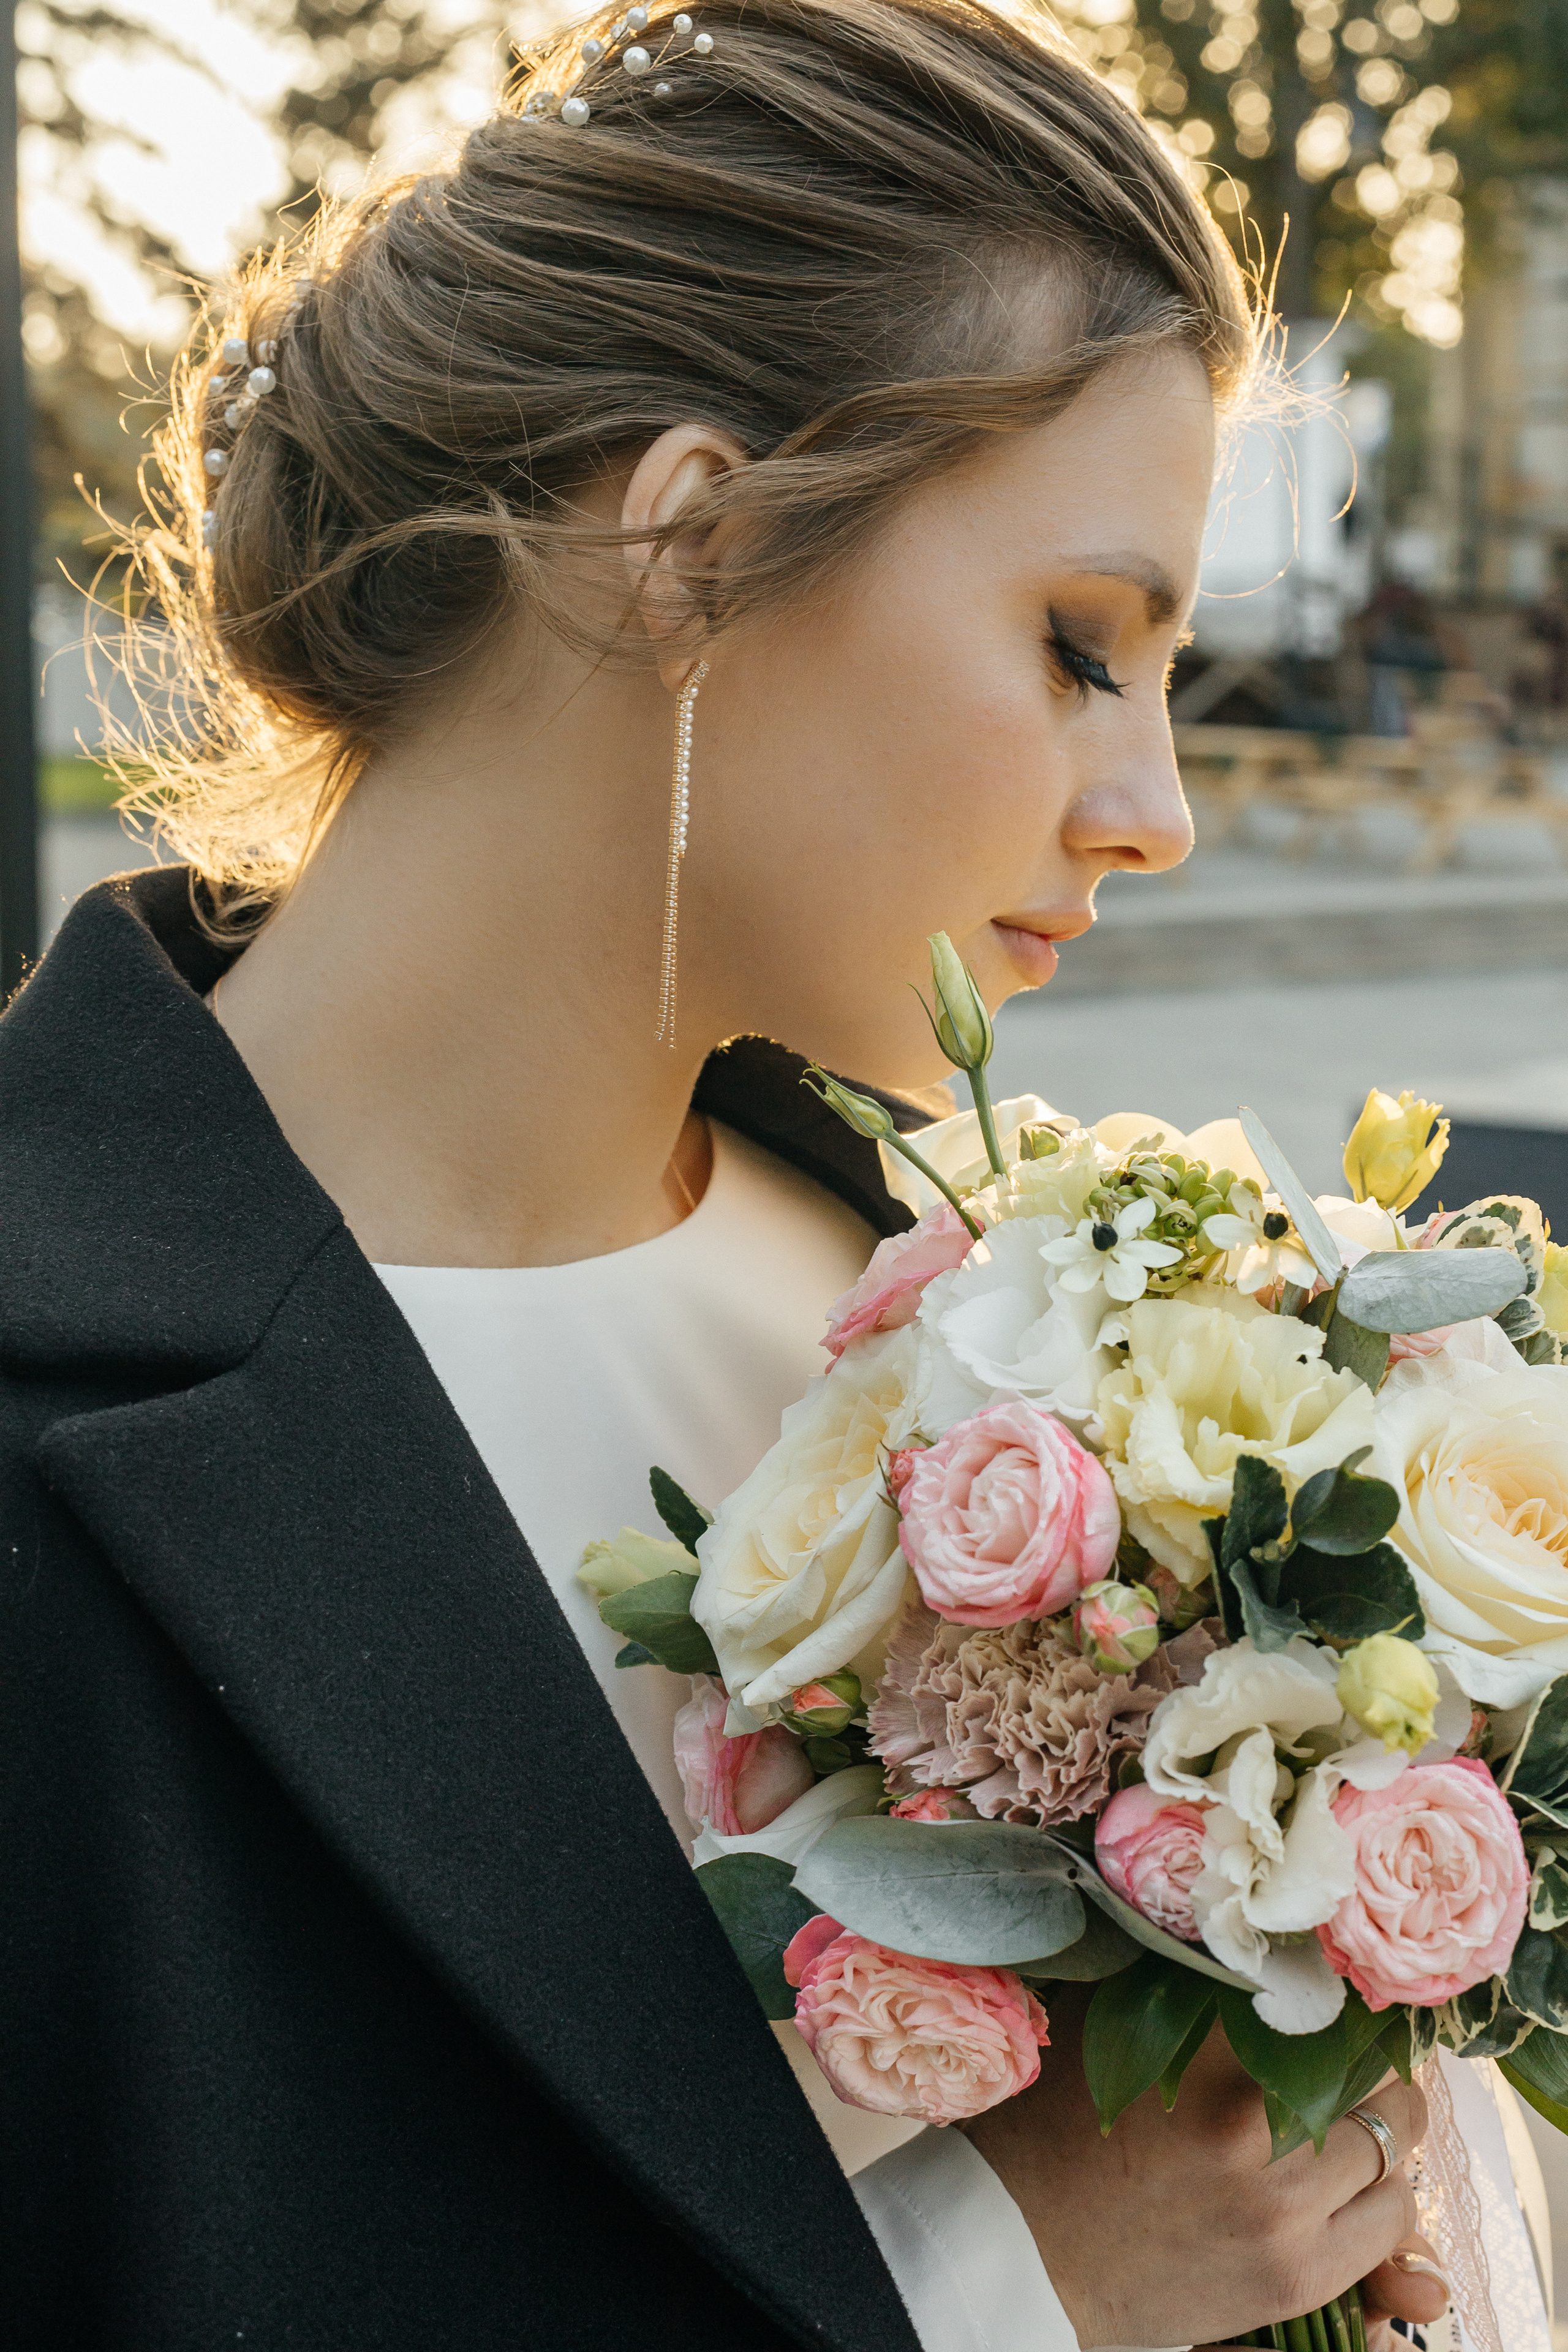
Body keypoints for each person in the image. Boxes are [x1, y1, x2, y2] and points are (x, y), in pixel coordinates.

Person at [0, 0, 1488, 2344]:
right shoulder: (48, 1409)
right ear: (691, 544)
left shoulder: (1027, 1325)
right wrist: (992, 2283)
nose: (1160, 811)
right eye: (1080, 644)